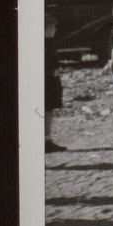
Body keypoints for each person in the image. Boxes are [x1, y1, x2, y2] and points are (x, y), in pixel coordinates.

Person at [44, 9, 66, 152]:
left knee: (49, 110)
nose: (55, 29)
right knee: (46, 109)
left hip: (52, 80)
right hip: (47, 81)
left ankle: (47, 138)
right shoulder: (44, 44)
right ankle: (45, 140)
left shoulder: (50, 42)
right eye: (52, 26)